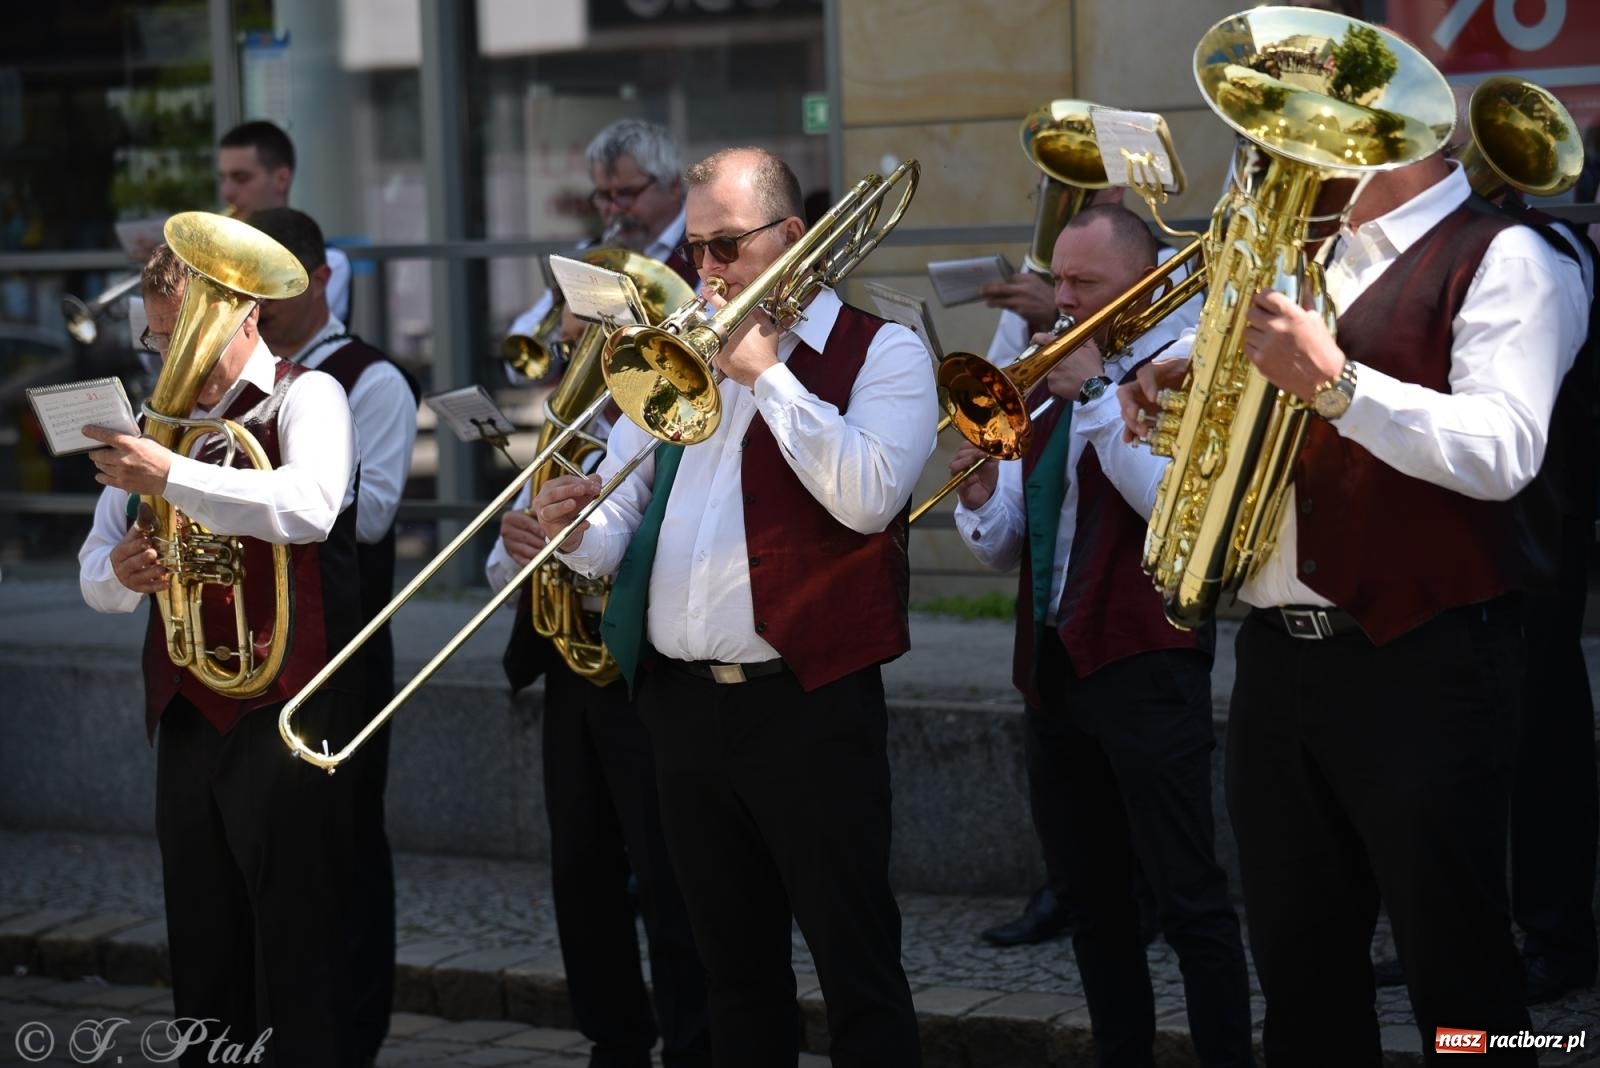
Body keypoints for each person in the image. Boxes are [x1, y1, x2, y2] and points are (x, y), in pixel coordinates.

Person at [1122, 150, 1587, 1062]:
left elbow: (1504, 448)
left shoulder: (1507, 256)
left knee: (1463, 986)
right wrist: (1178, 374)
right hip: (1279, 660)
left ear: (1381, 141)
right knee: (1301, 978)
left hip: (1427, 662)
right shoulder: (1315, 254)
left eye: (1282, 143)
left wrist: (1337, 384)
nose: (1258, 164)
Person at [531, 146, 936, 1066]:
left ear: (792, 238)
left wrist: (767, 375)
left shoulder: (886, 352)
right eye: (694, 251)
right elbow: (625, 518)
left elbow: (869, 497)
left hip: (807, 704)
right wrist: (569, 528)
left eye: (722, 248)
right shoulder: (684, 353)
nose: (704, 273)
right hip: (681, 709)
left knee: (857, 972)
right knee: (733, 979)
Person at [952, 205, 1252, 1066]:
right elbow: (1014, 539)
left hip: (1145, 662)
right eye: (1059, 281)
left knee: (1189, 899)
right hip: (1052, 670)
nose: (1063, 299)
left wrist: (1089, 392)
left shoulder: (1184, 366)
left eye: (1087, 284)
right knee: (1092, 901)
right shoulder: (1044, 372)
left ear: (1143, 283)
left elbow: (1175, 515)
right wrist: (978, 497)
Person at [78, 243, 367, 1066]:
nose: (171, 358)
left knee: (295, 943)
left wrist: (168, 476)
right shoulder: (158, 424)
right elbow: (94, 570)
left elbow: (310, 505)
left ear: (245, 314)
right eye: (157, 340)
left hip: (283, 708)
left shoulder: (310, 394)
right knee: (202, 941)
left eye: (182, 336)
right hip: (187, 710)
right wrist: (122, 573)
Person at [484, 123, 712, 1068]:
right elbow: (519, 564)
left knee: (668, 871)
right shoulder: (576, 412)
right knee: (580, 867)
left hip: (647, 657)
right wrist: (521, 537)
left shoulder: (673, 366)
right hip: (570, 662)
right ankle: (612, 1039)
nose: (571, 338)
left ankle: (694, 1040)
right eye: (572, 323)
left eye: (589, 326)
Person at [244, 206, 420, 1061]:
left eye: (276, 283)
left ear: (319, 280)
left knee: (345, 839)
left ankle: (355, 1028)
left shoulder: (369, 378)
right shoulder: (237, 372)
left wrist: (292, 460)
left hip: (345, 642)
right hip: (259, 645)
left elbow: (377, 516)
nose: (258, 301)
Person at [507, 118, 697, 367]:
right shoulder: (592, 252)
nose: (614, 209)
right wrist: (562, 325)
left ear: (672, 185)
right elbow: (516, 365)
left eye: (627, 194)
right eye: (604, 196)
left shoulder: (704, 248)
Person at [218, 120, 352, 324]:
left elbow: (288, 329)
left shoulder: (331, 260)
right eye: (223, 178)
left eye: (241, 178)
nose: (227, 193)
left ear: (281, 179)